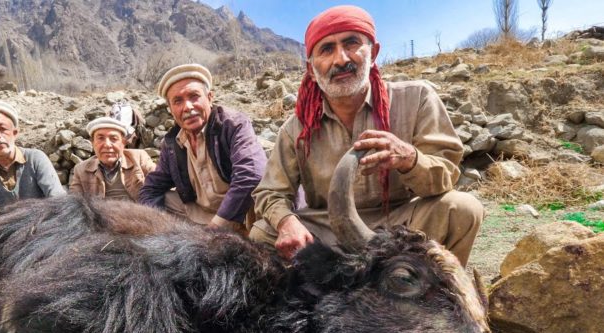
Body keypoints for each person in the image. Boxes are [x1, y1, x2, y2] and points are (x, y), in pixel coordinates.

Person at [250, 5, 483, 265]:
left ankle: (432, 299)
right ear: (311, 69)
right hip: (328, 230)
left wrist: (410, 159)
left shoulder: (417, 98)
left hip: (401, 224)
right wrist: (286, 221)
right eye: (326, 49)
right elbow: (270, 192)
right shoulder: (296, 128)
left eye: (351, 43)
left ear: (373, 53)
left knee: (462, 209)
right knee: (262, 233)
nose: (340, 59)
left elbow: (446, 175)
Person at [139, 63, 266, 233]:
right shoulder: (172, 144)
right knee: (165, 200)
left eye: (194, 96)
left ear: (210, 97)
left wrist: (216, 228)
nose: (188, 107)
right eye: (178, 101)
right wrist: (159, 226)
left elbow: (251, 174)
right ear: (170, 109)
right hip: (203, 215)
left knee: (264, 211)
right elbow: (151, 188)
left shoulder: (232, 125)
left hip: (243, 213)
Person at [0, 99, 65, 224]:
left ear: (15, 132)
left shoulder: (36, 159)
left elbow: (58, 202)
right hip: (7, 236)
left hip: (44, 228)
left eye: (2, 128)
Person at [69, 116, 155, 201]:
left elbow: (160, 182)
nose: (107, 144)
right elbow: (74, 203)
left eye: (113, 139)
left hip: (139, 213)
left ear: (123, 143)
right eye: (100, 138)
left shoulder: (139, 158)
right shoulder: (81, 170)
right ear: (92, 143)